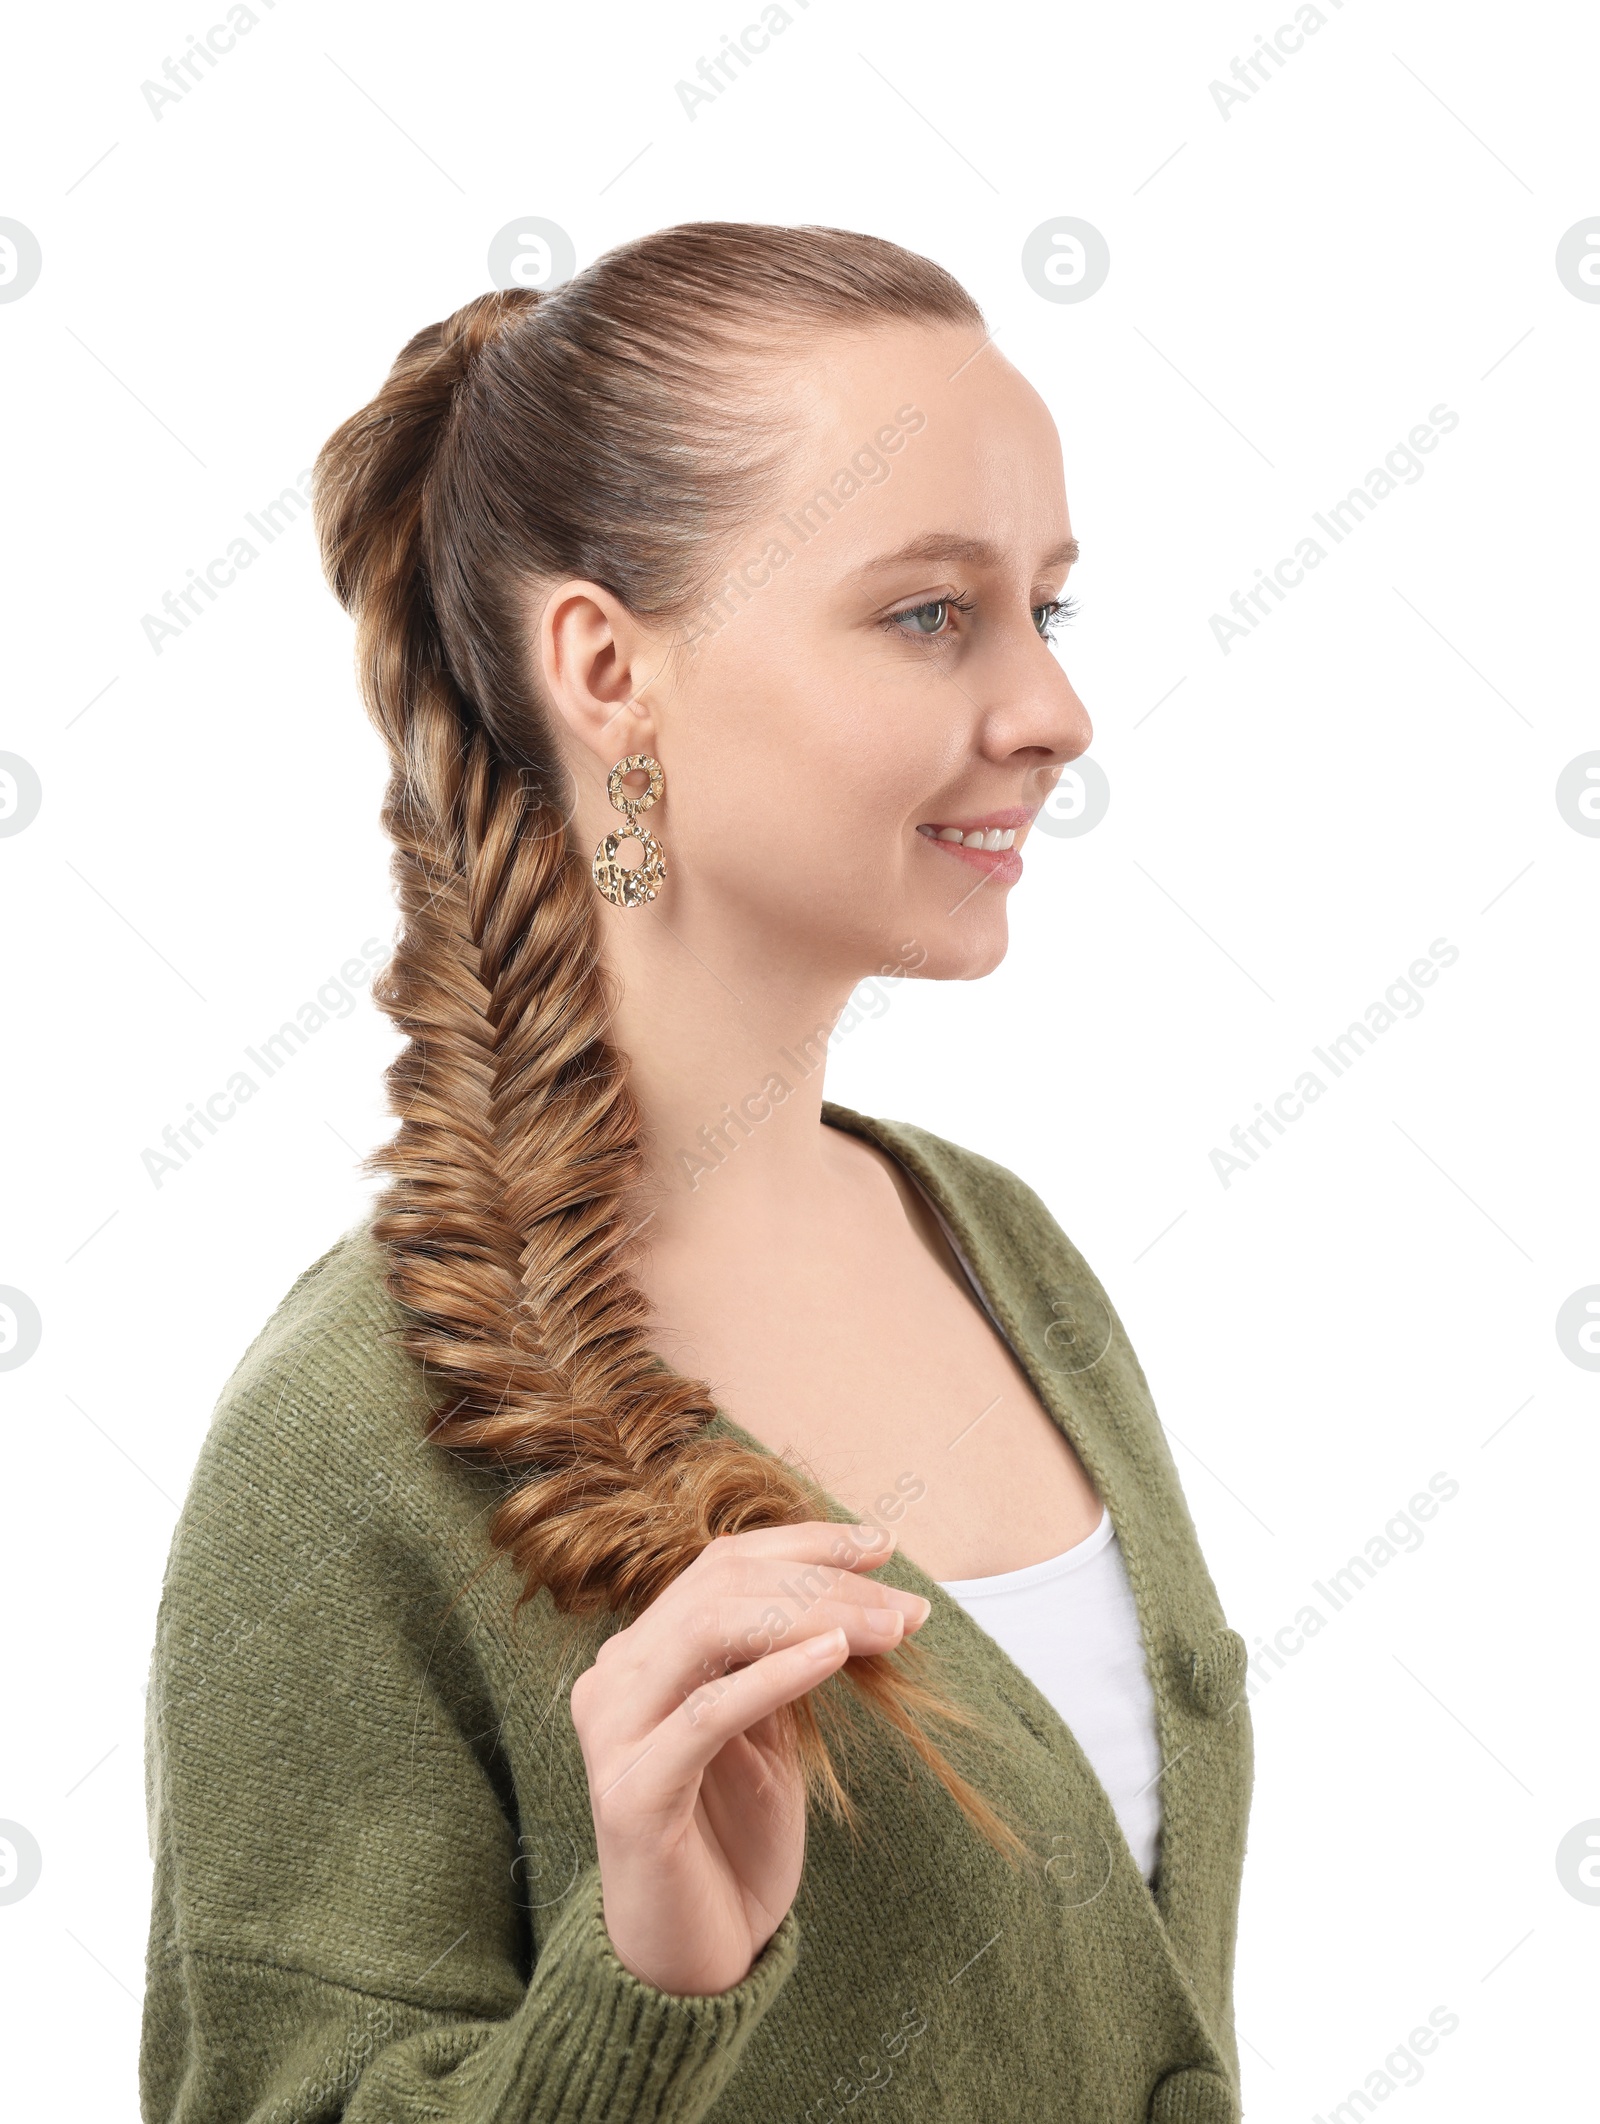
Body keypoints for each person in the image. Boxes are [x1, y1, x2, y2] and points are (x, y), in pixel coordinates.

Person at [140, 222, 1253, 2124]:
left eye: (1045, 612)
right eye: (929, 614)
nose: (1054, 712)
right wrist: (644, 1990)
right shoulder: (354, 1439)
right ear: (604, 668)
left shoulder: (1004, 1253)